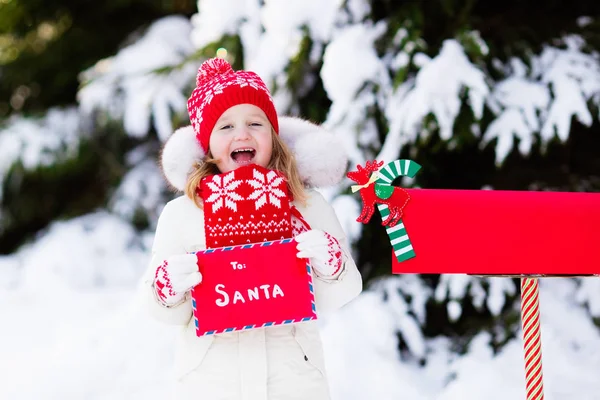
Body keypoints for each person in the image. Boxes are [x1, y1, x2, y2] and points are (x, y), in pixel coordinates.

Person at [141, 57, 362, 400]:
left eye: (255, 123)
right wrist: (168, 289)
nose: (242, 133)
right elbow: (161, 310)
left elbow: (344, 291)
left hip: (294, 383)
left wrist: (331, 264)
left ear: (273, 136)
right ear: (207, 143)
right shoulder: (182, 214)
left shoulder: (305, 204)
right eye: (225, 126)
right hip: (211, 385)